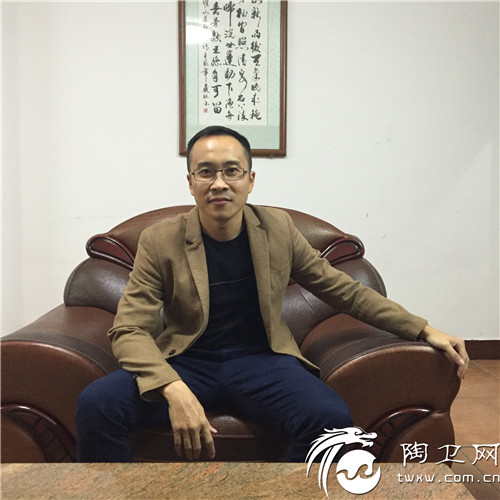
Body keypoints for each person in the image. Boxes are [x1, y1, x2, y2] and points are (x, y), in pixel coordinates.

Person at [75, 126, 469, 462]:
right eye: (206, 172)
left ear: (250, 179)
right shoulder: (160, 239)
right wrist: (172, 388)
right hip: (187, 361)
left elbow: (343, 290)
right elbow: (128, 329)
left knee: (331, 419)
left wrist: (422, 329)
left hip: (262, 360)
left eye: (232, 170)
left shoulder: (277, 229)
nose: (219, 183)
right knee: (96, 405)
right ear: (191, 182)